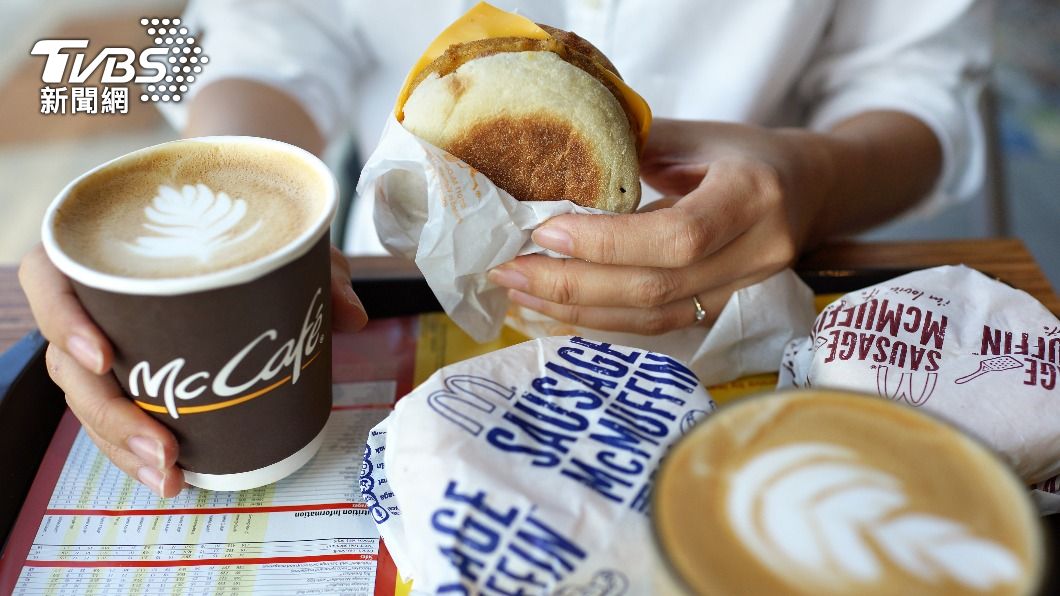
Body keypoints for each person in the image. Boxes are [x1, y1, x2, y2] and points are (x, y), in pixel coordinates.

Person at [19, 0, 992, 496]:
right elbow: (261, 42)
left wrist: (814, 175)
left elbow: (921, 85)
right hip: (389, 307)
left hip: (750, 305)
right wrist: (220, 202)